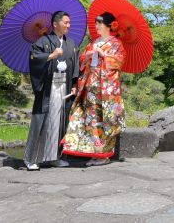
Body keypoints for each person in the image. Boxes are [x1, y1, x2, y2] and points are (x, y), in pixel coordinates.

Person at [62, 12, 126, 166]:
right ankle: (93, 151)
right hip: (90, 86)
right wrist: (88, 55)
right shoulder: (93, 42)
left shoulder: (116, 43)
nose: (97, 26)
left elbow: (120, 61)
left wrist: (104, 55)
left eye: (100, 23)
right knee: (91, 119)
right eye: (96, 23)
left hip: (106, 90)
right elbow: (82, 60)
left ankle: (104, 154)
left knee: (105, 118)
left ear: (110, 26)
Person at [23, 10, 80, 170]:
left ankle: (56, 157)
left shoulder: (72, 44)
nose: (68, 25)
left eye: (69, 22)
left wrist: (75, 84)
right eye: (65, 22)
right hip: (48, 88)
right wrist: (51, 55)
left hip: (65, 87)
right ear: (55, 24)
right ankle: (32, 159)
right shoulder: (43, 41)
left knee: (61, 122)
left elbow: (76, 65)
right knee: (42, 121)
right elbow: (34, 58)